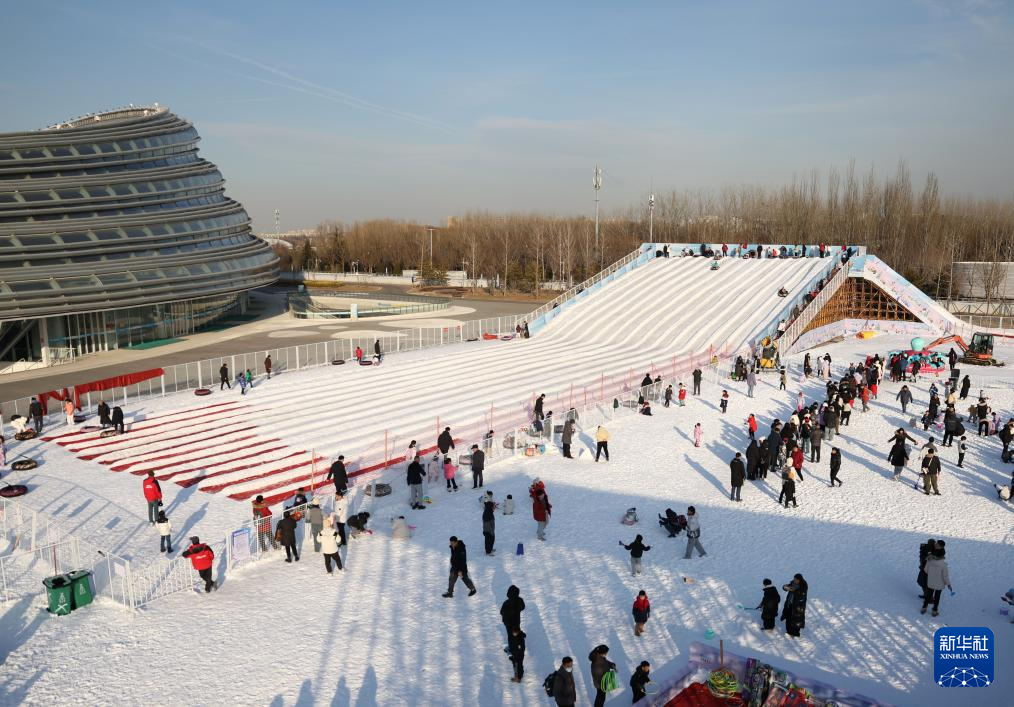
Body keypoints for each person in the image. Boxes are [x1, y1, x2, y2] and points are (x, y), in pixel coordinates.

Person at [921, 547, 952, 616]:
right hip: (939, 584)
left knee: (928, 595)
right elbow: (945, 576)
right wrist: (948, 584)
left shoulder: (929, 561)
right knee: (937, 597)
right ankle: (934, 611)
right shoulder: (944, 565)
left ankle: (924, 607)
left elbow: (926, 570)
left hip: (931, 582)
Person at [482, 491, 496, 555]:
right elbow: (487, 524)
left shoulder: (489, 510)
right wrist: (491, 531)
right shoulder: (487, 513)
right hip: (488, 527)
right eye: (493, 507)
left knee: (492, 537)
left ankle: (490, 549)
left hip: (490, 526)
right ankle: (488, 551)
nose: (494, 508)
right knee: (489, 538)